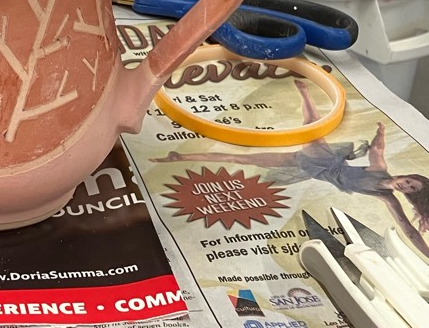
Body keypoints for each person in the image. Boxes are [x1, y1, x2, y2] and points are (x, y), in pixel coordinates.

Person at [150, 80, 429, 258]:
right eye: (410, 181)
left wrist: (426, 254)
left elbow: (408, 229)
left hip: (311, 170)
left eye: (410, 189)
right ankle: (304, 90)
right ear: (406, 176)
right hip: (324, 160)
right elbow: (378, 149)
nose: (405, 185)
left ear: (409, 194)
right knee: (307, 133)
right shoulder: (379, 170)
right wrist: (381, 131)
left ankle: (178, 157)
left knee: (247, 161)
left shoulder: (386, 197)